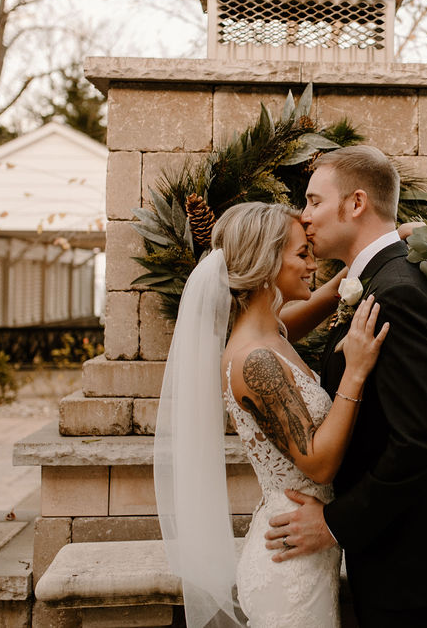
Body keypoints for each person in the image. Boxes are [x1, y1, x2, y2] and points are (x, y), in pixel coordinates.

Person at [265, 145, 427, 627]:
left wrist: (333, 525)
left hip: (413, 568)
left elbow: (421, 442)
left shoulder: (396, 291)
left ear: (356, 203)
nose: (305, 216)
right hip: (394, 556)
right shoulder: (379, 278)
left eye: (315, 201)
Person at [154, 201, 389, 628]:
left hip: (303, 547)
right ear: (265, 264)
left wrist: (359, 263)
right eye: (302, 254)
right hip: (289, 564)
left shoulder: (269, 331)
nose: (312, 263)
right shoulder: (254, 361)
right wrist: (355, 372)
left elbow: (296, 318)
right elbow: (317, 464)